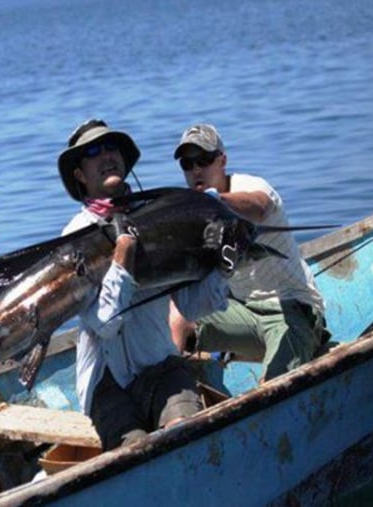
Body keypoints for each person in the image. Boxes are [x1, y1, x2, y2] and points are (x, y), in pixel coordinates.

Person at [57, 119, 228, 451]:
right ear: (79, 174)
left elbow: (192, 305)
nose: (106, 155)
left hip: (159, 363)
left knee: (184, 434)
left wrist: (222, 268)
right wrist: (121, 261)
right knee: (135, 451)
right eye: (93, 151)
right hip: (104, 382)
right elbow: (104, 324)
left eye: (112, 147)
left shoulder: (158, 217)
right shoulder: (75, 237)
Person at [169, 124, 327, 382]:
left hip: (292, 312)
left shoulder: (251, 185)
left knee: (274, 386)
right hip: (241, 313)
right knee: (175, 312)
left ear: (222, 160)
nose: (197, 170)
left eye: (205, 160)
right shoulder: (193, 214)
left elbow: (260, 206)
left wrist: (217, 201)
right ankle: (171, 388)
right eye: (188, 164)